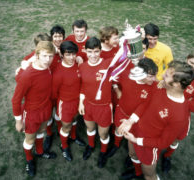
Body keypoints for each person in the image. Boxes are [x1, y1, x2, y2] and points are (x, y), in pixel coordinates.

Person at [119, 60, 194, 180]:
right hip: (135, 130)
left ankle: (143, 174)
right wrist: (131, 121)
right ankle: (137, 173)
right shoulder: (161, 87)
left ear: (176, 84)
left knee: (149, 175)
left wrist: (137, 140)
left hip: (149, 144)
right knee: (132, 154)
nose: (161, 76)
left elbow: (163, 143)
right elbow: (145, 104)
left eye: (166, 75)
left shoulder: (179, 116)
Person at [11, 41, 57, 177]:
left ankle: (40, 151)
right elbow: (16, 100)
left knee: (41, 131)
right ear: (36, 55)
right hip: (31, 113)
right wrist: (18, 121)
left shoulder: (48, 68)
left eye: (50, 56)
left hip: (46, 109)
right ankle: (29, 160)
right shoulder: (27, 75)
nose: (48, 60)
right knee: (29, 139)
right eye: (44, 56)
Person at [108, 58, 158, 180]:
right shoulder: (126, 75)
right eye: (151, 76)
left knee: (135, 148)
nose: (154, 79)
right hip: (122, 112)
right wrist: (116, 89)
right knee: (126, 144)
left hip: (137, 121)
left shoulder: (155, 86)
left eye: (154, 76)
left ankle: (140, 171)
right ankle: (136, 171)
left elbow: (144, 106)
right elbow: (112, 76)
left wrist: (131, 121)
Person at [161, 51, 194, 173]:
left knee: (175, 138)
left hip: (181, 115)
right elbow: (162, 88)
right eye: (191, 62)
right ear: (186, 59)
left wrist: (175, 97)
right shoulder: (175, 72)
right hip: (163, 109)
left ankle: (167, 156)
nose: (193, 66)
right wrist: (188, 98)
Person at [78, 37, 112, 168]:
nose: (93, 55)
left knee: (103, 134)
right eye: (90, 52)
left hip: (104, 107)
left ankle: (103, 152)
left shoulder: (109, 64)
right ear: (85, 51)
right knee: (90, 128)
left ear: (100, 51)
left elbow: (127, 58)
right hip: (88, 105)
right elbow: (83, 86)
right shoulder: (82, 67)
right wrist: (81, 102)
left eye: (96, 51)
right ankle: (91, 145)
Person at [52, 41, 85, 162]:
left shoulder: (78, 65)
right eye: (68, 54)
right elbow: (54, 93)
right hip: (65, 104)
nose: (71, 57)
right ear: (62, 54)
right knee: (66, 125)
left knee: (75, 120)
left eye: (73, 54)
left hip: (78, 101)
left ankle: (74, 136)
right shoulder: (58, 73)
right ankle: (64, 146)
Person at [43, 24, 67, 152]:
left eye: (60, 36)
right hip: (46, 91)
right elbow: (31, 57)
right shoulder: (47, 50)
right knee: (47, 114)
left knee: (58, 112)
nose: (58, 39)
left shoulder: (66, 50)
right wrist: (24, 64)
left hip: (60, 91)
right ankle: (49, 134)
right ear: (52, 37)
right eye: (55, 36)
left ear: (64, 37)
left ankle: (59, 130)